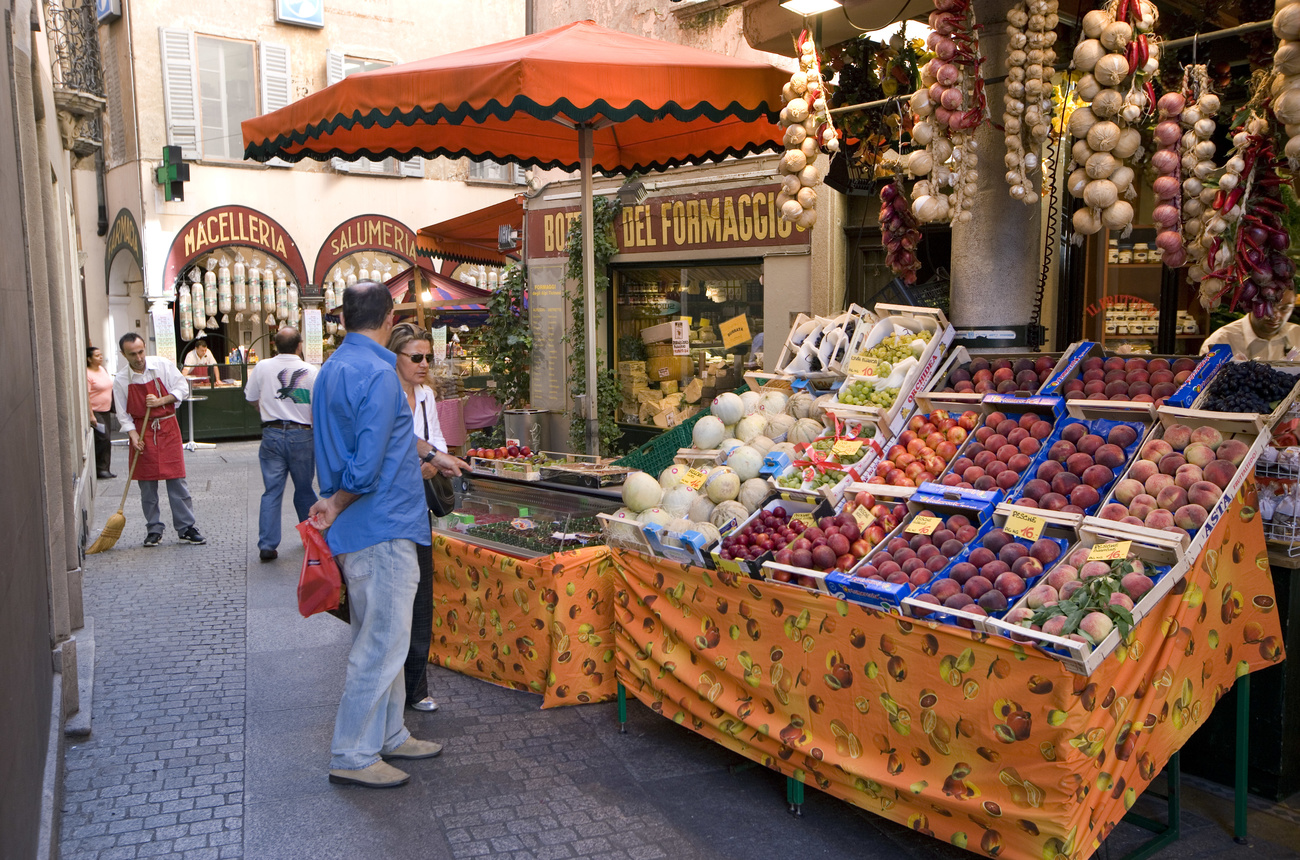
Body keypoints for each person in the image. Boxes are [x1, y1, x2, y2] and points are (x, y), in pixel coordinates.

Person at [309, 281, 442, 789]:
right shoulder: (381, 373)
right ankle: (354, 752)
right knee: (383, 643)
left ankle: (388, 734)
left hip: (362, 528)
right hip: (383, 522)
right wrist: (338, 500)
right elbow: (364, 467)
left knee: (382, 636)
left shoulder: (332, 369)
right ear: (389, 318)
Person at [386, 323, 469, 713]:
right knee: (393, 599)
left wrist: (432, 462)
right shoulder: (383, 393)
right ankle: (390, 684)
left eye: (427, 358)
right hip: (388, 506)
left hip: (419, 505)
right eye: (415, 357)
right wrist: (421, 460)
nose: (423, 365)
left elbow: (434, 441)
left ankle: (416, 686)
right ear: (396, 356)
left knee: (420, 597)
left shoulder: (425, 396)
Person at [113, 333, 206, 547]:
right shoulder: (121, 380)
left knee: (177, 481)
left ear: (145, 347)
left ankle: (186, 527)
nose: (138, 358)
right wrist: (133, 435)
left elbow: (181, 388)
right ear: (123, 354)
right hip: (142, 432)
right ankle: (153, 528)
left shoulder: (162, 366)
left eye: (140, 352)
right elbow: (122, 414)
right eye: (132, 354)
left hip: (167, 428)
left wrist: (160, 401)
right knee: (147, 485)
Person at [246, 326, 318, 561]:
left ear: (275, 345)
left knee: (272, 491)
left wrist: (267, 410)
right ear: (299, 345)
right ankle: (311, 540)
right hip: (302, 434)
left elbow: (250, 397)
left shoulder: (262, 366)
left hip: (272, 433)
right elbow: (317, 408)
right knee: (305, 489)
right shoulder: (311, 370)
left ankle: (267, 544)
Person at [1201, 289, 1300, 361]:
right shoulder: (1221, 341)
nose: (1275, 315)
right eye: (1268, 307)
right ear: (1251, 304)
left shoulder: (1297, 335)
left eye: (1284, 308)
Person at [87, 345, 116, 479]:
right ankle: (100, 468)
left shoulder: (102, 370)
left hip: (105, 409)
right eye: (97, 356)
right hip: (96, 410)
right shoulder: (88, 374)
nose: (100, 357)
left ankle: (105, 468)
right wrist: (91, 415)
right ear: (89, 359)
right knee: (103, 438)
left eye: (101, 355)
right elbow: (86, 395)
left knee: (107, 438)